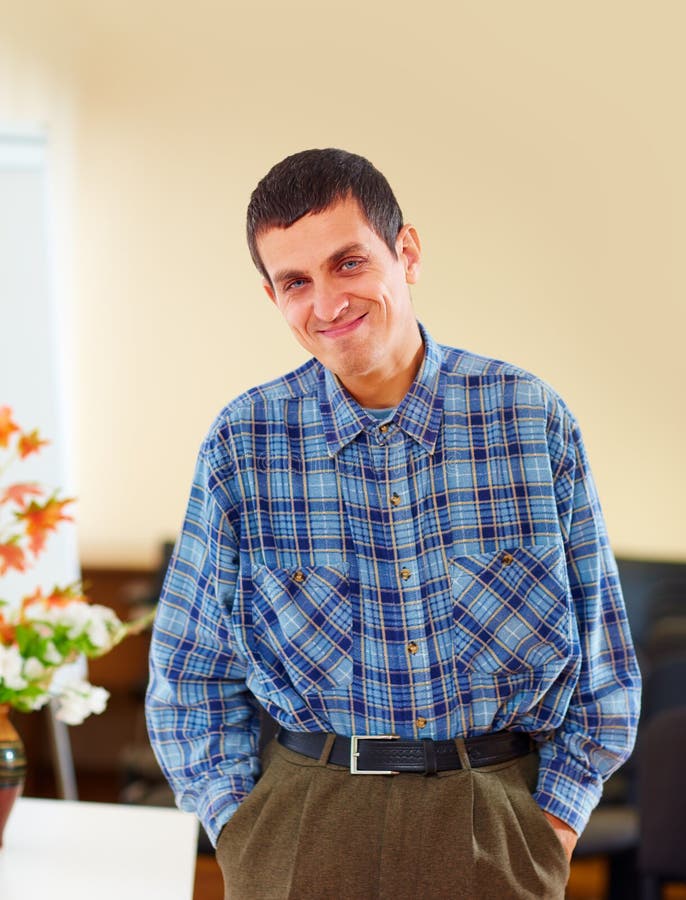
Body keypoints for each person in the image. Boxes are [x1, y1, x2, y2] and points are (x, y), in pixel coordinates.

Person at [146, 148, 641, 899]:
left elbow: (604, 664)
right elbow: (188, 676)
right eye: (295, 282)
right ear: (272, 295)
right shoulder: (243, 442)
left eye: (348, 263)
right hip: (303, 820)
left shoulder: (528, 417)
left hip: (495, 820)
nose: (327, 302)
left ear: (405, 252)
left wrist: (553, 825)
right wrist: (243, 830)